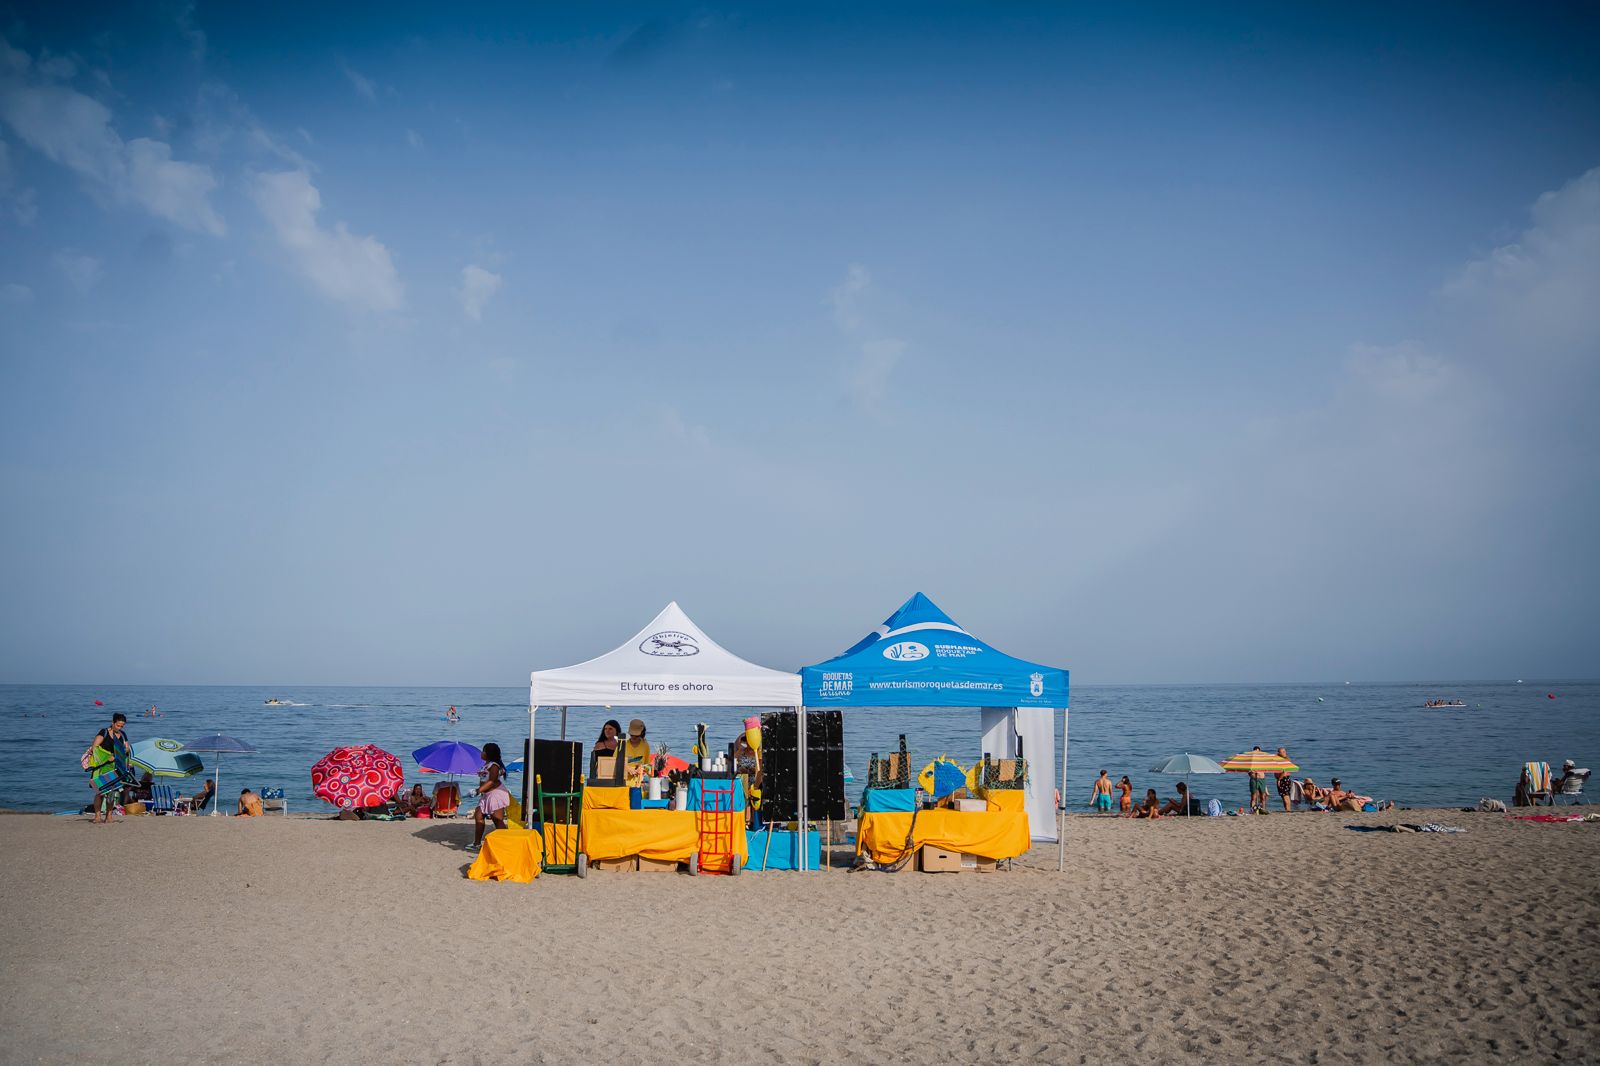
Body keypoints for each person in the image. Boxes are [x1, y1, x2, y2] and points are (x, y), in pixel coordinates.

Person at [86, 713, 133, 824]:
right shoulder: (104, 732)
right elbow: (94, 749)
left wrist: (123, 752)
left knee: (112, 792)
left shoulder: (122, 735)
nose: (120, 728)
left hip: (115, 767)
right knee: (100, 792)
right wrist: (108, 757)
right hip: (102, 767)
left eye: (122, 726)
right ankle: (97, 816)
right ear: (112, 722)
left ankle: (109, 815)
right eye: (118, 725)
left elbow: (127, 749)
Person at [470, 742, 510, 850]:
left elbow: (492, 781)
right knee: (478, 816)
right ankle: (477, 844)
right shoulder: (486, 765)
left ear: (489, 753)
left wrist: (478, 790)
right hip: (486, 795)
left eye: (484, 750)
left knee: (497, 819)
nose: (481, 752)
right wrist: (481, 791)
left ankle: (506, 843)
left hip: (495, 794)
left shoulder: (494, 766)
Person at [1275, 747, 1295, 812]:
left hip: (1283, 779)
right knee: (1284, 796)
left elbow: (1284, 772)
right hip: (1284, 779)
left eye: (1284, 751)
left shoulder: (1285, 760)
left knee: (1285, 796)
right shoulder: (1281, 759)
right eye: (1282, 752)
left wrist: (1279, 780)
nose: (1284, 753)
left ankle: (1288, 810)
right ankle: (1287, 809)